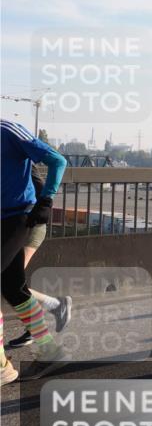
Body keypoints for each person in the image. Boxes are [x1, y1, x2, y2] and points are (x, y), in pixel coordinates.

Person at [1, 120, 68, 384]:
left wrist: (46, 200)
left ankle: (2, 368)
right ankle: (50, 350)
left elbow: (57, 161)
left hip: (16, 218)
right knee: (13, 287)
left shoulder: (7, 130)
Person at [7, 166, 73, 350]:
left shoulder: (19, 159)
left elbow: (41, 186)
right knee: (11, 281)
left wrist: (41, 207)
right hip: (13, 227)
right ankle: (52, 309)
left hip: (29, 225)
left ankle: (52, 309)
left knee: (11, 282)